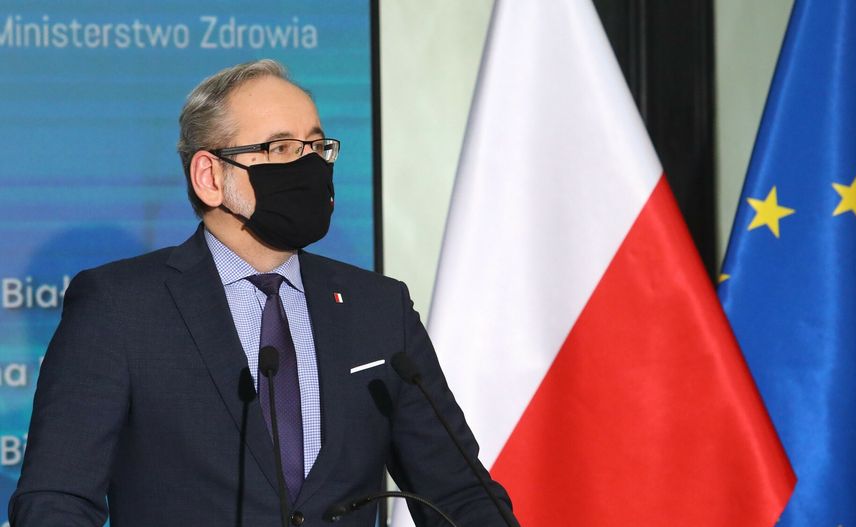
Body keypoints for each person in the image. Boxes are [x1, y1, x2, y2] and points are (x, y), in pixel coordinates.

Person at [9, 59, 516, 527]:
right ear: (210, 177)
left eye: (316, 147)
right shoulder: (120, 307)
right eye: (281, 149)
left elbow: (461, 496)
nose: (309, 165)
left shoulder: (379, 309)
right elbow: (56, 501)